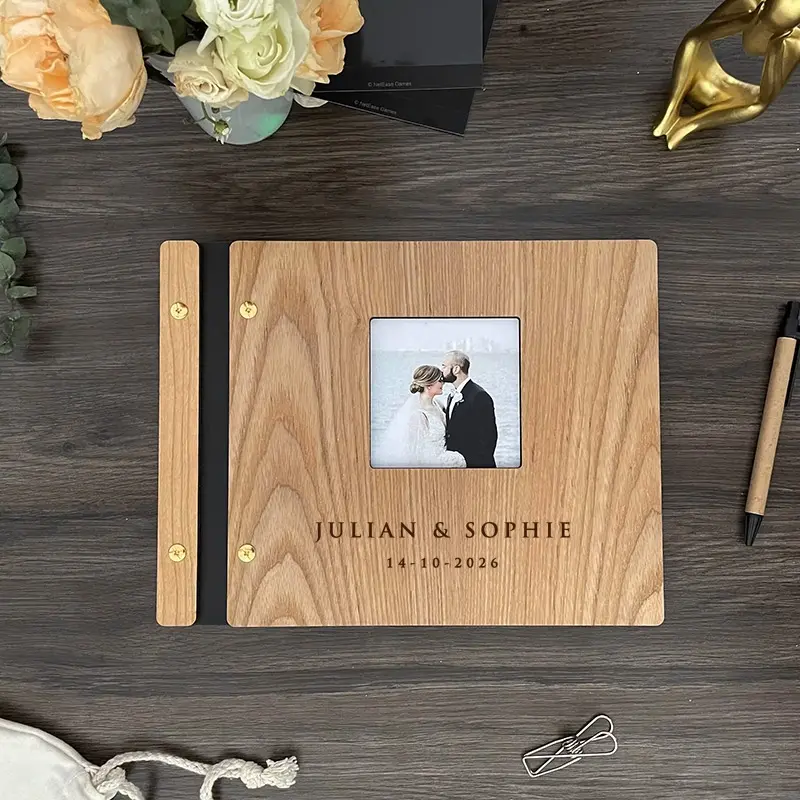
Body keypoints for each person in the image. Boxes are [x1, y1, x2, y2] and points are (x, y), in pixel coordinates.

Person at [375, 365, 467, 468]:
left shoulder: (438, 404)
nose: (443, 383)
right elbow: (416, 452)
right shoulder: (418, 414)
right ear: (429, 385)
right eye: (440, 381)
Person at [440, 350, 498, 468]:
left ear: (456, 369)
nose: (441, 370)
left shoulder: (479, 396)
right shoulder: (452, 395)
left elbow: (489, 437)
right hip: (455, 463)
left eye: (444, 366)